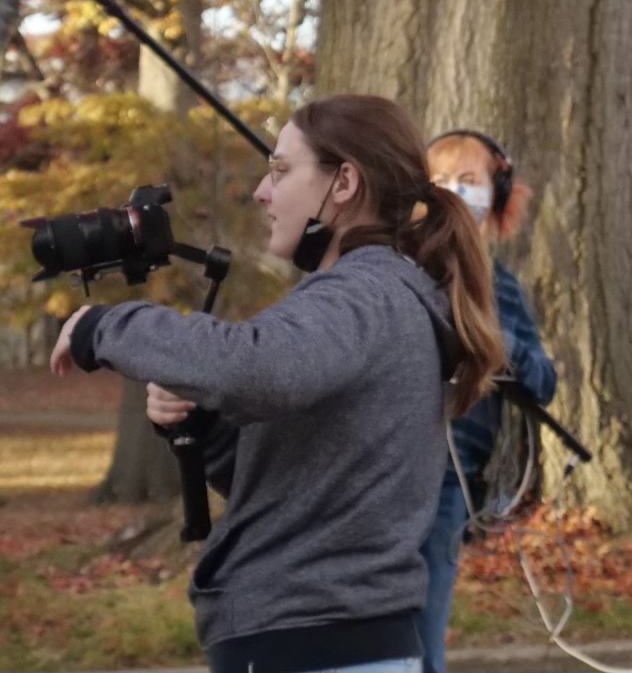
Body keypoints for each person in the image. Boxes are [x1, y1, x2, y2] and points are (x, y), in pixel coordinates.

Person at [48, 95, 506, 673]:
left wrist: (105, 325)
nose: (263, 192)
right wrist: (203, 423)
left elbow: (253, 369)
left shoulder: (362, 296)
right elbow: (293, 478)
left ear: (344, 182)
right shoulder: (378, 297)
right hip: (324, 641)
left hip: (312, 643)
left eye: (281, 170)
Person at [417, 129, 557, 673]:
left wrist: (493, 334)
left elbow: (542, 382)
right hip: (382, 467)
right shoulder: (396, 264)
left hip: (452, 479)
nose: (453, 192)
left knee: (425, 639)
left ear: (495, 195)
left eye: (468, 182)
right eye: (441, 181)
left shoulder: (500, 286)